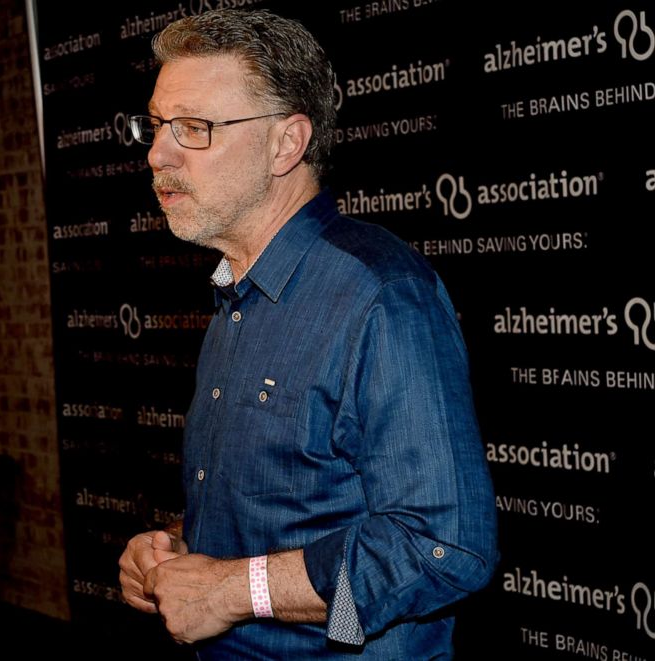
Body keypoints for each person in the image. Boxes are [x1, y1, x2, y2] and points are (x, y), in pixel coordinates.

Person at [117, 8, 498, 659]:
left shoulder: (378, 294)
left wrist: (232, 588)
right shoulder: (235, 298)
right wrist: (182, 549)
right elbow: (297, 510)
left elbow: (444, 547)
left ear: (285, 144)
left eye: (193, 128)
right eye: (155, 126)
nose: (158, 153)